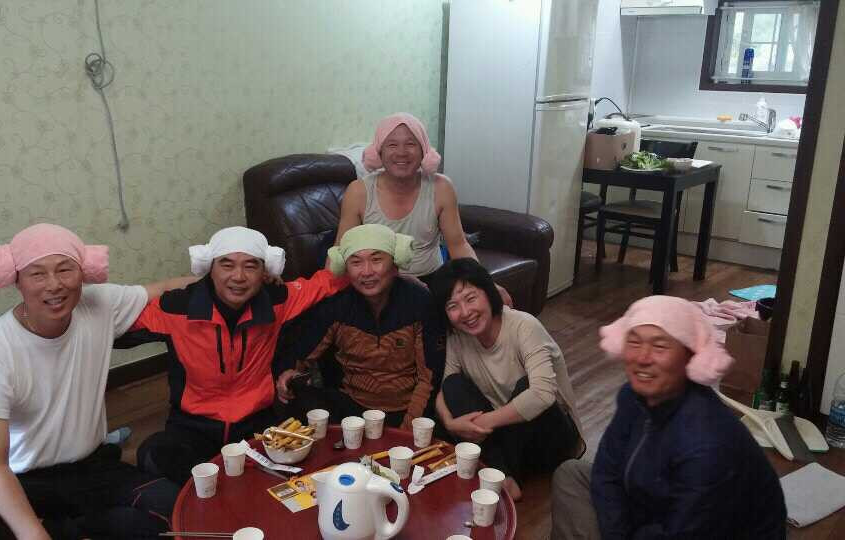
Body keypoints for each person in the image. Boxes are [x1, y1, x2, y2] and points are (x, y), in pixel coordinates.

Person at [0, 223, 195, 539]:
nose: (54, 285)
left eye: (65, 269)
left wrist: (232, 276)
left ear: (83, 271)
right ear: (17, 280)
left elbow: (163, 288)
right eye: (37, 274)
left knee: (178, 514)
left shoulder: (99, 305)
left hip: (95, 467)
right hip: (27, 481)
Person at [550, 295, 787, 540]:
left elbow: (683, 532)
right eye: (634, 342)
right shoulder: (633, 397)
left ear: (689, 356)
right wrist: (617, 532)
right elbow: (607, 470)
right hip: (652, 509)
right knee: (572, 474)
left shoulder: (707, 442)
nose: (642, 358)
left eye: (660, 346)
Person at [126, 226, 348, 485]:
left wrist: (365, 262)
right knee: (154, 455)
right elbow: (114, 317)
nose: (239, 276)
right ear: (210, 267)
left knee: (301, 465)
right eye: (227, 265)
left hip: (257, 423)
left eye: (250, 266)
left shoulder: (277, 299)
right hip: (192, 425)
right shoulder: (176, 307)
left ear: (265, 271)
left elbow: (327, 283)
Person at [428, 258, 583, 501]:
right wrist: (451, 423)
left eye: (471, 298)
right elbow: (446, 386)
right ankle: (504, 475)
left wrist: (482, 423)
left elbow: (543, 394)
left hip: (551, 438)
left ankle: (496, 468)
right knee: (453, 385)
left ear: (489, 293)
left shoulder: (524, 326)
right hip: (503, 435)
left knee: (527, 386)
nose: (465, 312)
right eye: (453, 306)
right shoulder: (458, 336)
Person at [275, 224, 445, 428]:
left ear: (395, 263)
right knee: (296, 397)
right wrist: (291, 373)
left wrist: (408, 430)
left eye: (376, 260)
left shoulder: (419, 301)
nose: (366, 272)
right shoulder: (337, 304)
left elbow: (429, 378)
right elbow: (302, 352)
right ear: (345, 268)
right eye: (356, 262)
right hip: (351, 406)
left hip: (405, 408)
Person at [335, 112, 512, 305]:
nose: (401, 152)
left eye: (410, 144)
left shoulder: (441, 188)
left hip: (432, 282)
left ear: (424, 151)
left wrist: (487, 284)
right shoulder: (358, 192)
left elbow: (458, 245)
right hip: (379, 286)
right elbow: (340, 250)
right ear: (379, 152)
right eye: (392, 145)